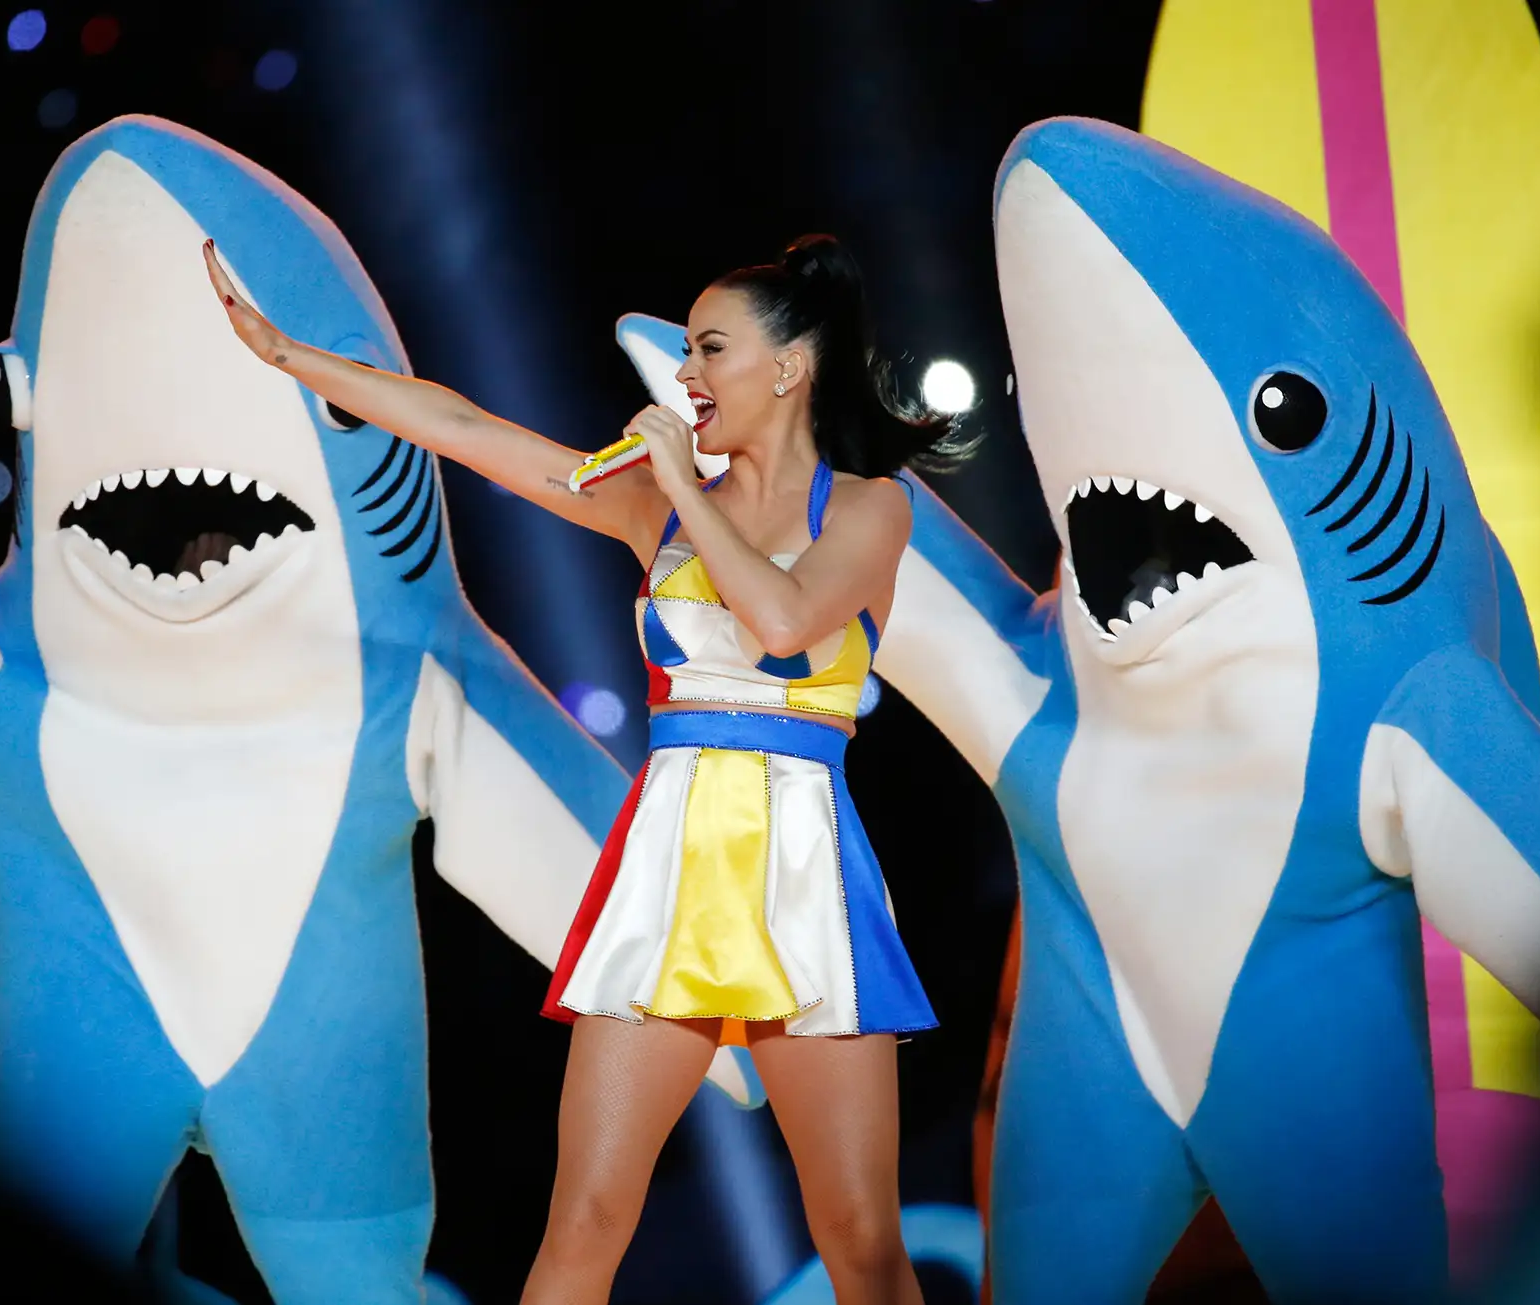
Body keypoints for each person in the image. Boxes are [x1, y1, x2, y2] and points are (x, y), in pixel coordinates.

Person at [205, 232, 975, 1305]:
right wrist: (289, 356)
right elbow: (470, 430)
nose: (689, 375)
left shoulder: (865, 508)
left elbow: (786, 620)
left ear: (792, 367)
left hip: (805, 878)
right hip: (670, 877)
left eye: (712, 350)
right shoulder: (649, 501)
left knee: (858, 1239)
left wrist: (680, 483)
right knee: (586, 1221)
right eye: (690, 353)